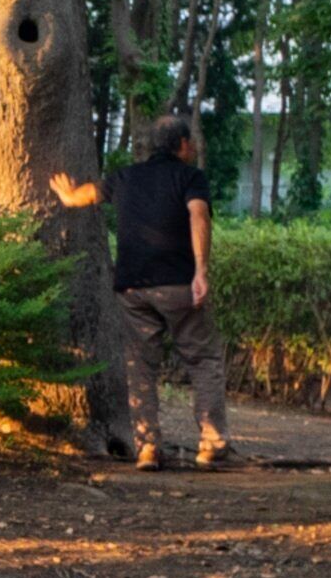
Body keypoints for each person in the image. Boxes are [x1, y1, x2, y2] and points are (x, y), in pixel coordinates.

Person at [54, 116, 230, 468]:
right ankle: (211, 443)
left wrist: (67, 195)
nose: (194, 147)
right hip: (179, 284)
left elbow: (84, 196)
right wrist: (201, 271)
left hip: (133, 287)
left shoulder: (125, 177)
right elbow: (198, 216)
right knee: (204, 360)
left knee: (140, 368)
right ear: (181, 144)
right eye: (191, 141)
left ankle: (148, 447)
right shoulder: (190, 177)